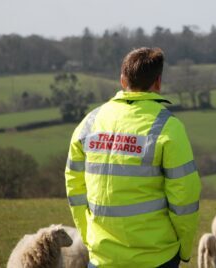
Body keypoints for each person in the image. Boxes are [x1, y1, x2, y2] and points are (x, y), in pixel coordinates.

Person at [65, 47, 201, 268]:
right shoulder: (169, 127)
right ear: (158, 82)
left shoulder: (89, 123)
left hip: (101, 257)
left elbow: (75, 190)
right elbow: (184, 198)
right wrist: (183, 249)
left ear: (122, 80)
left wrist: (90, 240)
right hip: (156, 257)